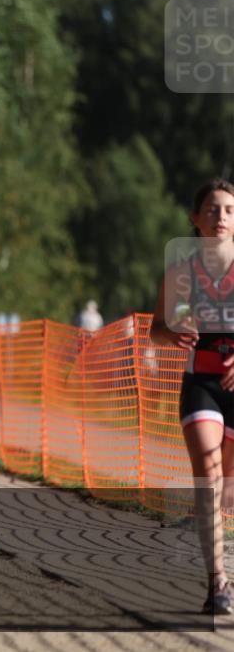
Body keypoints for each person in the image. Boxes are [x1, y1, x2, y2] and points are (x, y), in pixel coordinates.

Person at [150, 178, 234, 615]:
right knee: (208, 469)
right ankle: (218, 583)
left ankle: (211, 533)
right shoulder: (182, 273)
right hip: (201, 384)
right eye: (212, 209)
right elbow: (155, 330)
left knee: (227, 492)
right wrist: (172, 332)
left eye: (228, 210)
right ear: (195, 219)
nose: (220, 217)